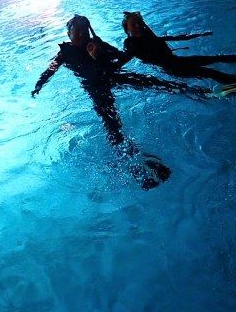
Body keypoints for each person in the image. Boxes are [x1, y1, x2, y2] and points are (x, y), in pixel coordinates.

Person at [32, 15, 207, 189]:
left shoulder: (96, 44)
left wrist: (102, 53)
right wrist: (39, 85)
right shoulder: (65, 53)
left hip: (111, 76)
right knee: (112, 126)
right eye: (77, 34)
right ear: (69, 34)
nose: (81, 37)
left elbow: (120, 56)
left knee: (149, 81)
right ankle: (136, 169)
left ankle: (193, 90)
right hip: (96, 87)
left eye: (84, 33)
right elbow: (51, 69)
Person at [121, 11, 236, 90]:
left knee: (218, 58)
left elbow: (165, 38)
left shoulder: (147, 34)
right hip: (174, 68)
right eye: (134, 23)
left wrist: (196, 35)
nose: (139, 25)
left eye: (140, 21)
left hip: (178, 60)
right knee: (210, 73)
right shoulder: (131, 44)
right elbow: (125, 58)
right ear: (127, 29)